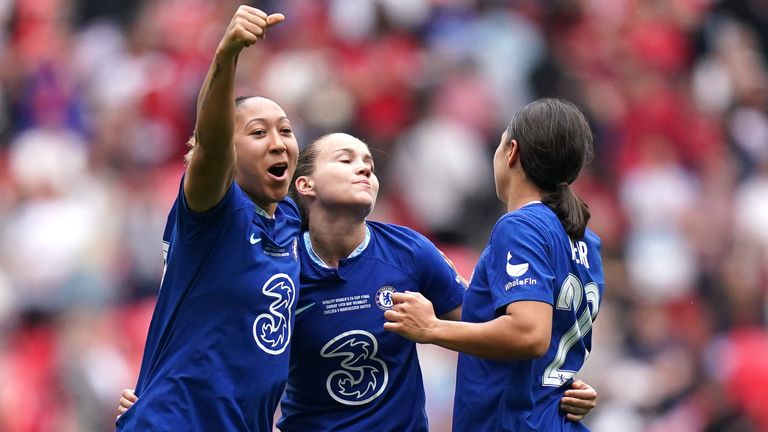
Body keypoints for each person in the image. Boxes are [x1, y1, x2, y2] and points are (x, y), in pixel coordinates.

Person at [119, 132, 599, 430]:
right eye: (345, 158)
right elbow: (222, 344)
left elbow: (496, 330)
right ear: (304, 185)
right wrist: (162, 399)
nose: (364, 166)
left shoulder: (410, 251)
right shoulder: (279, 267)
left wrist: (557, 379)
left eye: (368, 160)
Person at [115, 6, 302, 431]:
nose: (277, 143)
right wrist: (227, 54)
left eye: (286, 131)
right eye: (258, 133)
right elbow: (212, 146)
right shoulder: (214, 213)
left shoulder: (289, 221)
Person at [384, 98, 604, 431]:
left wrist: (431, 329)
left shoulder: (520, 227)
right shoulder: (584, 239)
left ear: (511, 152)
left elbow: (530, 333)